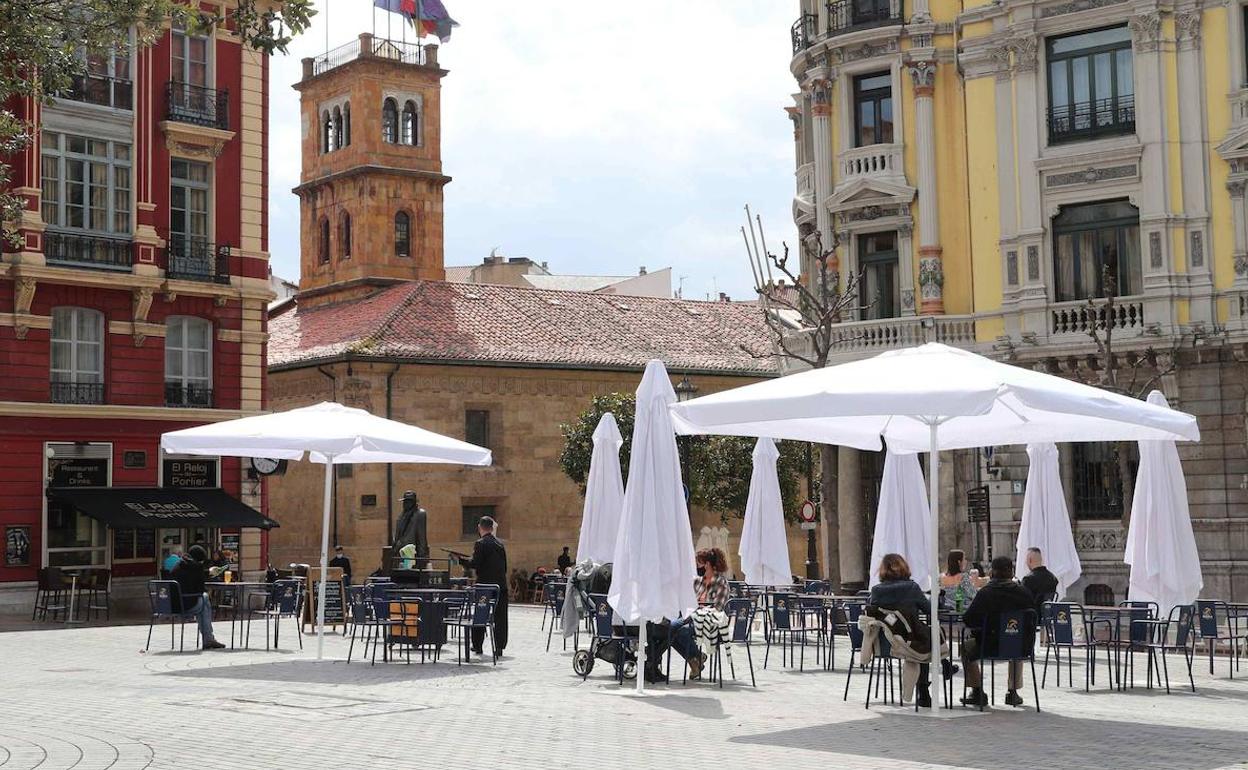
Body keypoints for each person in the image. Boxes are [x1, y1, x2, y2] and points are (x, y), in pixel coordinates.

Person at [868, 553, 955, 708]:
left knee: (924, 635)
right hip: (912, 640)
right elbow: (929, 610)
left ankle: (943, 666)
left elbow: (872, 612)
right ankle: (924, 690)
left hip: (887, 642)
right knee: (928, 634)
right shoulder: (911, 587)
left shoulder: (876, 590)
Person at [960, 556, 1036, 707]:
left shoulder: (985, 593)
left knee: (965, 647)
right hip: (1021, 647)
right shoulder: (1024, 592)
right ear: (1011, 572)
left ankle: (977, 691)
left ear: (991, 572)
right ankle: (1013, 692)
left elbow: (969, 619)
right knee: (1015, 638)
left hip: (989, 646)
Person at [647, 548, 730, 683]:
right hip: (691, 617)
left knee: (674, 630)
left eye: (699, 563)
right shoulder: (698, 581)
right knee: (671, 630)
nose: (697, 566)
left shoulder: (721, 582)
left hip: (710, 621)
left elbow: (718, 607)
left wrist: (698, 609)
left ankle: (654, 662)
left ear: (707, 564)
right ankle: (695, 659)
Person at [459, 516, 508, 656]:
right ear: (492, 528)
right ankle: (499, 647)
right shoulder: (500, 544)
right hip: (500, 586)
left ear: (480, 528)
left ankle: (477, 645)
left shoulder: (480, 543)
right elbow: (504, 567)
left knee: (480, 613)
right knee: (501, 617)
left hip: (485, 586)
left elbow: (475, 563)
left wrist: (461, 561)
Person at [170, 545, 225, 650]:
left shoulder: (177, 565)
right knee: (204, 599)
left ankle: (209, 639)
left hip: (171, 605)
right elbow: (201, 590)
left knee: (203, 602)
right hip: (186, 606)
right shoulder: (197, 567)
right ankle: (208, 639)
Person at [1021, 547, 1059, 616]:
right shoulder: (1052, 578)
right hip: (1047, 615)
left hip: (1032, 617)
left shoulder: (1028, 579)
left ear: (1029, 560)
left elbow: (1024, 601)